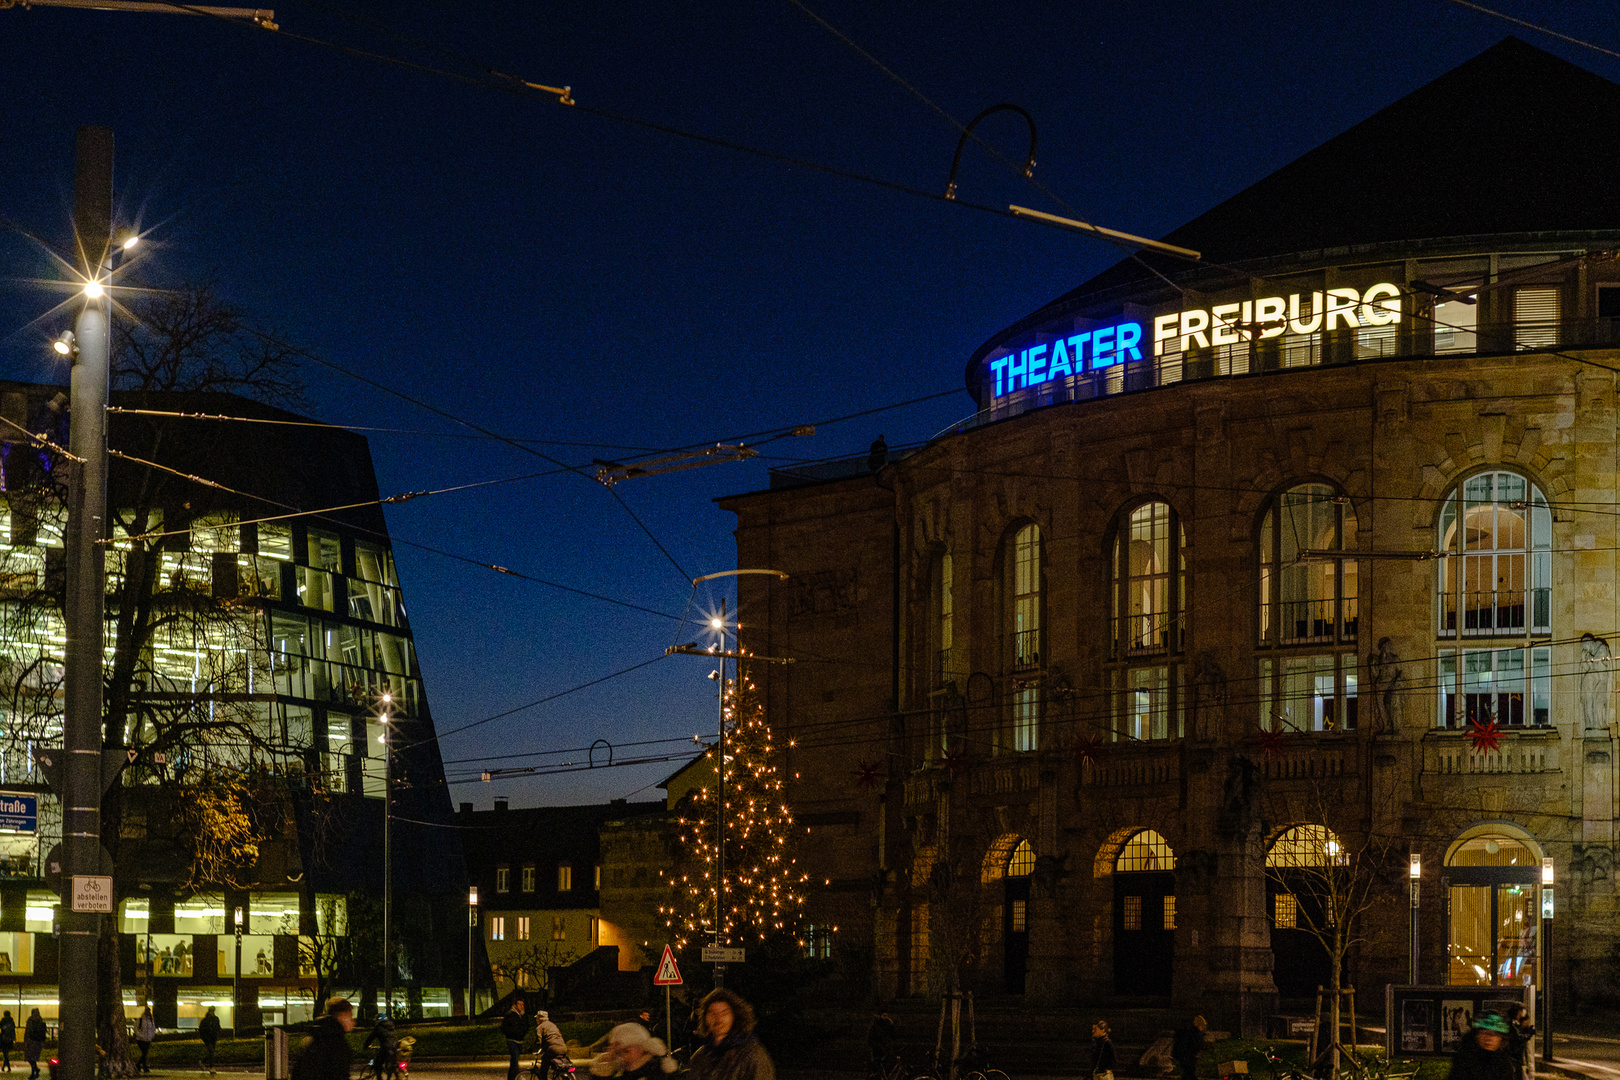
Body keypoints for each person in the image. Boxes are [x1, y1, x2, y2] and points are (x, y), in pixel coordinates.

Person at [689, 989, 774, 1080]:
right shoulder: (700, 1057)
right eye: (712, 1013)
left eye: (724, 1013)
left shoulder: (752, 1055)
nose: (718, 1019)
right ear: (705, 1018)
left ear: (735, 1016)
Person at [291, 998, 355, 1080]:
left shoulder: (317, 1034)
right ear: (342, 1015)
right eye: (350, 1016)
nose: (352, 1021)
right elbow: (338, 1073)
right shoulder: (336, 1041)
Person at [589, 1023, 676, 1080]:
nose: (624, 1058)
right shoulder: (624, 1071)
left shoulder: (656, 1071)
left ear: (641, 1047)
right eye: (619, 1053)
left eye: (627, 1051)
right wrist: (601, 1073)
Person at [1450, 1014, 1514, 1080]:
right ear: (1476, 1035)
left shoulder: (1504, 1064)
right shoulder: (1465, 1058)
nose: (1489, 1038)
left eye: (1494, 1034)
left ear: (1501, 1038)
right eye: (1484, 1033)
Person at [535, 1010, 571, 1080]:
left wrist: (535, 1048)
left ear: (540, 1018)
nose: (536, 1020)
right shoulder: (553, 1025)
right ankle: (562, 1075)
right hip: (563, 1048)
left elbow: (539, 1041)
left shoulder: (540, 1027)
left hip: (553, 1049)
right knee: (558, 1065)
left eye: (537, 1018)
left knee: (544, 1067)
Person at [1172, 1015, 1208, 1080]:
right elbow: (1194, 1045)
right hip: (1188, 1058)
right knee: (1190, 1074)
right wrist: (1195, 1053)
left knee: (1187, 1075)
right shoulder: (1195, 1034)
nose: (1204, 1027)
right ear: (1200, 1025)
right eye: (1203, 1025)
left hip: (1185, 1058)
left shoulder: (1191, 1033)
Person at [1504, 1006, 1535, 1080]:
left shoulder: (1512, 1024)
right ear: (1518, 1012)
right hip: (1515, 1061)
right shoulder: (1512, 1026)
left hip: (1517, 1061)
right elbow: (1516, 1041)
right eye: (1522, 1011)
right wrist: (1527, 1035)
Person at [363, 1015, 399, 1079]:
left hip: (386, 1049)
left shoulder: (378, 1027)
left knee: (377, 1064)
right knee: (392, 1064)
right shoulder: (391, 1026)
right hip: (395, 1048)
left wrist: (365, 1046)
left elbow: (371, 1038)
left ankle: (379, 1078)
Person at [501, 999, 529, 1080]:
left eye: (522, 1005)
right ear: (515, 1005)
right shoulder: (510, 1014)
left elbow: (526, 1025)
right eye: (519, 1004)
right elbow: (504, 1027)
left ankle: (512, 1077)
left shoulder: (523, 1015)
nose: (521, 1007)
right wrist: (511, 1033)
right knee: (515, 1059)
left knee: (515, 1060)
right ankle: (515, 1076)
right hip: (512, 1040)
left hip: (520, 1040)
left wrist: (523, 1032)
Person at [866, 1012, 897, 1078]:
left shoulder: (887, 1025)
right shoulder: (875, 1026)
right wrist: (880, 1047)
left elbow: (893, 1036)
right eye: (884, 1016)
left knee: (886, 1070)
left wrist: (892, 1025)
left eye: (887, 1016)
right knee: (877, 1071)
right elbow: (871, 1039)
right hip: (877, 1052)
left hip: (886, 1051)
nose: (886, 1017)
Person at [21, 1009, 43, 1080]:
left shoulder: (30, 1020)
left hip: (31, 1041)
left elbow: (28, 1031)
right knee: (34, 1058)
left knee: (30, 1057)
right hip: (38, 1042)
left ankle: (34, 1072)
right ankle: (35, 1070)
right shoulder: (40, 1020)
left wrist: (25, 1040)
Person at [199, 1006, 221, 1074]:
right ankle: (211, 1067)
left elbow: (218, 1027)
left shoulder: (214, 1019)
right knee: (211, 1051)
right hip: (208, 1039)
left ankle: (202, 1061)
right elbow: (201, 1030)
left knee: (211, 1052)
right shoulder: (206, 1020)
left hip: (213, 1038)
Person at [134, 1007, 156, 1075]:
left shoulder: (151, 1020)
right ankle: (144, 1067)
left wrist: (151, 1036)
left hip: (148, 1039)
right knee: (144, 1053)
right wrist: (140, 1036)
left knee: (144, 1053)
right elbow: (136, 1029)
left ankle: (138, 1065)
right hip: (141, 1039)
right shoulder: (140, 1020)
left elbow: (153, 1029)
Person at [0, 1008, 16, 1073]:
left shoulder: (3, 1020)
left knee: (5, 1052)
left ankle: (7, 1066)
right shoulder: (11, 1021)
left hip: (3, 1038)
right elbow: (13, 1030)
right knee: (6, 1053)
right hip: (9, 1039)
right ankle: (6, 1066)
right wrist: (14, 1038)